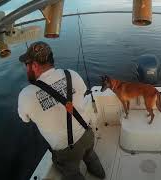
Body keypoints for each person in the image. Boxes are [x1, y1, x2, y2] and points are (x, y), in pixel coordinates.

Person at [18, 41, 105, 180]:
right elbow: (82, 94)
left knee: (72, 173)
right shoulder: (72, 74)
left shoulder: (26, 95)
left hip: (66, 151)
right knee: (89, 154)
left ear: (34, 65)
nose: (26, 68)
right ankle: (101, 174)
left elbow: (25, 118)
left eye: (26, 65)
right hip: (87, 135)